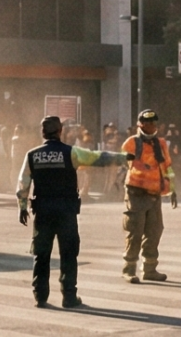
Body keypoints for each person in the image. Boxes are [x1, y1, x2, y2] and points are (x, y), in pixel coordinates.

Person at [16, 115, 111, 308]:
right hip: (66, 212)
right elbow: (95, 159)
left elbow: (22, 185)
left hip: (42, 212)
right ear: (61, 131)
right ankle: (69, 296)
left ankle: (40, 296)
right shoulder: (71, 153)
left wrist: (23, 208)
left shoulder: (33, 155)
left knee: (41, 254)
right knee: (68, 254)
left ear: (42, 133)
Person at [121, 108, 178, 283]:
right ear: (140, 124)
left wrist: (172, 189)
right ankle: (129, 269)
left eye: (154, 123)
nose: (151, 126)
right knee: (135, 231)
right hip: (136, 193)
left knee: (154, 231)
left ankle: (150, 269)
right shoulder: (132, 142)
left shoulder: (161, 144)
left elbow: (167, 167)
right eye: (148, 123)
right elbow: (125, 163)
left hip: (155, 194)